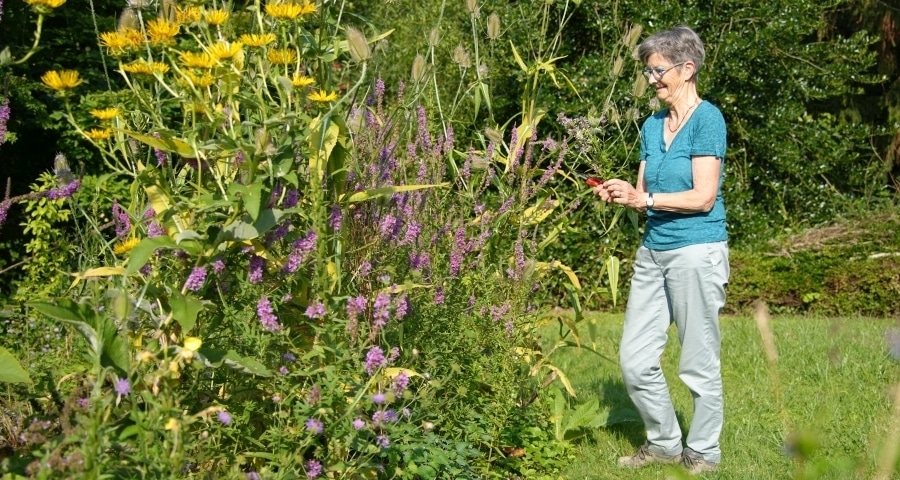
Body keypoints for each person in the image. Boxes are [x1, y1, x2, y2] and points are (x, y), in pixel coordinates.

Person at [593, 25, 729, 475]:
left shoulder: (708, 120)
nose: (651, 79)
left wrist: (645, 200)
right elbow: (642, 191)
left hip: (697, 251)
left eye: (658, 70)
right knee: (634, 360)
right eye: (647, 71)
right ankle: (666, 443)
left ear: (687, 69)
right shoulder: (652, 125)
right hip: (653, 250)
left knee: (697, 360)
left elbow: (703, 197)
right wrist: (621, 193)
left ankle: (704, 453)